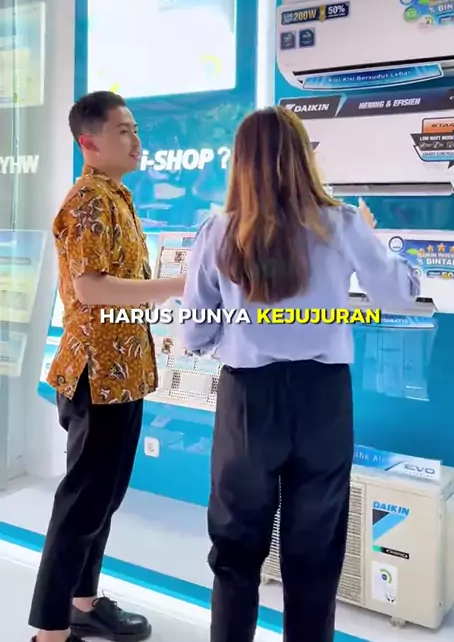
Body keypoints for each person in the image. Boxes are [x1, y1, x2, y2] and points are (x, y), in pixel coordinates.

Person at [180, 105, 420, 642]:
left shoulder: (217, 232)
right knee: (314, 556)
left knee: (236, 554)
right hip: (322, 401)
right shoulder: (343, 224)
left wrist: (232, 335)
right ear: (303, 157)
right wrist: (374, 242)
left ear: (241, 163)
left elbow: (194, 332)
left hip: (247, 401)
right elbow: (398, 294)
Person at [29, 91, 186, 642]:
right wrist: (178, 285)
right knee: (81, 504)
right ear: (89, 143)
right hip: (97, 373)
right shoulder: (89, 202)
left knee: (102, 500)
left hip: (123, 373)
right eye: (123, 131)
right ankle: (50, 631)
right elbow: (90, 289)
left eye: (135, 129)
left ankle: (83, 603)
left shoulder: (115, 195)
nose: (136, 140)